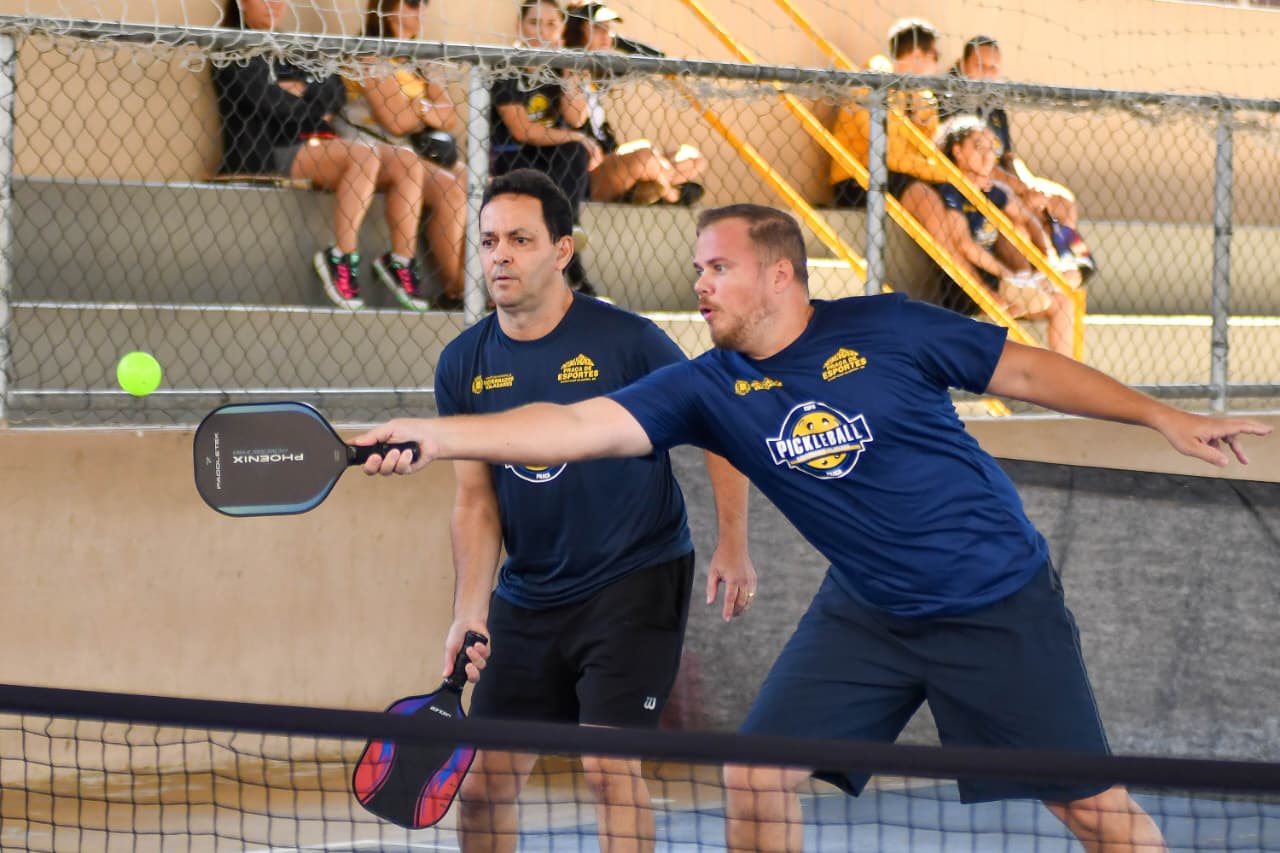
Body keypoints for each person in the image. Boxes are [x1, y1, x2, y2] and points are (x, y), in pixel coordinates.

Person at [353, 202, 1271, 853]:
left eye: (718, 267)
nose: (700, 284)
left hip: (992, 604)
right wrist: (430, 435)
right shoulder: (706, 384)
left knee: (1092, 813)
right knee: (754, 773)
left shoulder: (889, 328)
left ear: (780, 273)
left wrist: (1162, 416)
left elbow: (1027, 373)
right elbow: (576, 426)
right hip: (868, 613)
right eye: (697, 268)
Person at [429, 168, 756, 853]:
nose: (501, 256)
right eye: (489, 241)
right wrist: (470, 609)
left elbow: (718, 425)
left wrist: (733, 542)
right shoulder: (463, 363)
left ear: (562, 249)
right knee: (484, 787)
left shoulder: (626, 342)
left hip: (635, 576)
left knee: (609, 771)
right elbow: (475, 499)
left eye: (521, 239)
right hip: (531, 590)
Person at [212, 0, 431, 310]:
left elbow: (333, 90)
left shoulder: (292, 45)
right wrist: (310, 105)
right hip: (268, 153)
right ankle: (340, 256)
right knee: (363, 155)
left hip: (317, 147)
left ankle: (401, 261)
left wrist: (300, 92)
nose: (274, 4)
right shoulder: (230, 47)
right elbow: (266, 102)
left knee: (405, 161)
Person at [338, 0, 469, 309]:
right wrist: (426, 109)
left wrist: (416, 108)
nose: (421, 9)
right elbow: (394, 121)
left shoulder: (421, 57)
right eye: (412, 2)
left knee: (466, 180)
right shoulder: (368, 52)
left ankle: (466, 284)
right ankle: (432, 277)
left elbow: (450, 117)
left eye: (425, 3)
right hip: (370, 149)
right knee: (438, 180)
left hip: (408, 154)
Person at [940, 35, 1096, 279]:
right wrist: (1021, 188)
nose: (989, 73)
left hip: (1006, 176)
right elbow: (975, 163)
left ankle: (1068, 259)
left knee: (1061, 201)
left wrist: (1029, 183)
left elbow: (1008, 156)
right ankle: (1038, 276)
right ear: (963, 64)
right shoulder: (949, 98)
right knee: (1019, 212)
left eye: (994, 68)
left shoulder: (993, 102)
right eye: (982, 66)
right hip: (976, 180)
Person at [932, 115, 1077, 356]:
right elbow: (965, 245)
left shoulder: (992, 191)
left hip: (1003, 284)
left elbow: (1028, 219)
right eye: (978, 147)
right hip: (971, 289)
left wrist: (1048, 258)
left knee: (1064, 302)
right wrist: (1009, 277)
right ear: (957, 151)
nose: (988, 155)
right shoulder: (951, 191)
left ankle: (1069, 378)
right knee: (1024, 302)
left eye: (992, 147)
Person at [490, 0, 601, 295]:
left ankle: (568, 233)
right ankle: (575, 273)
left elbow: (576, 117)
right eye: (534, 23)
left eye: (551, 25)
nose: (542, 32)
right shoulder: (506, 67)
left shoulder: (557, 69)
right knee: (574, 146)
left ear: (562, 30)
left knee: (575, 153)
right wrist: (575, 138)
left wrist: (568, 72)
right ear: (519, 26)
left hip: (550, 164)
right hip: (511, 160)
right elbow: (522, 129)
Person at [561, 2, 707, 206]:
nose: (607, 35)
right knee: (645, 157)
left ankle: (652, 187)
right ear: (579, 32)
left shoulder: (601, 71)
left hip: (613, 160)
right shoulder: (564, 70)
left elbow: (656, 58)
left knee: (693, 158)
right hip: (589, 172)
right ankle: (671, 194)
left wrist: (613, 41)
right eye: (599, 29)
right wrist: (581, 57)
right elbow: (575, 119)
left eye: (609, 29)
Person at [827, 18, 949, 236]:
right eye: (935, 56)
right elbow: (889, 154)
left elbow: (932, 148)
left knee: (957, 200)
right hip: (858, 177)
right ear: (917, 54)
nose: (937, 65)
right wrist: (945, 174)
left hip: (901, 173)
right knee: (927, 197)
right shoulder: (877, 77)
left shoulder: (921, 95)